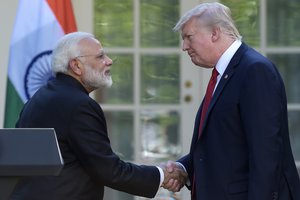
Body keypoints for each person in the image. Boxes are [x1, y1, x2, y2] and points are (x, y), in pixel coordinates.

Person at [10, 32, 187, 200]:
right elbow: (109, 171)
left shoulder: (40, 96)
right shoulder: (80, 105)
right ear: (76, 66)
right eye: (100, 56)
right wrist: (162, 175)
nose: (109, 61)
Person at [163, 2, 300, 200]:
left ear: (215, 33)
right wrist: (183, 168)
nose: (184, 47)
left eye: (188, 37)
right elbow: (224, 145)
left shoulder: (254, 70)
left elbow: (266, 157)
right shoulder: (224, 73)